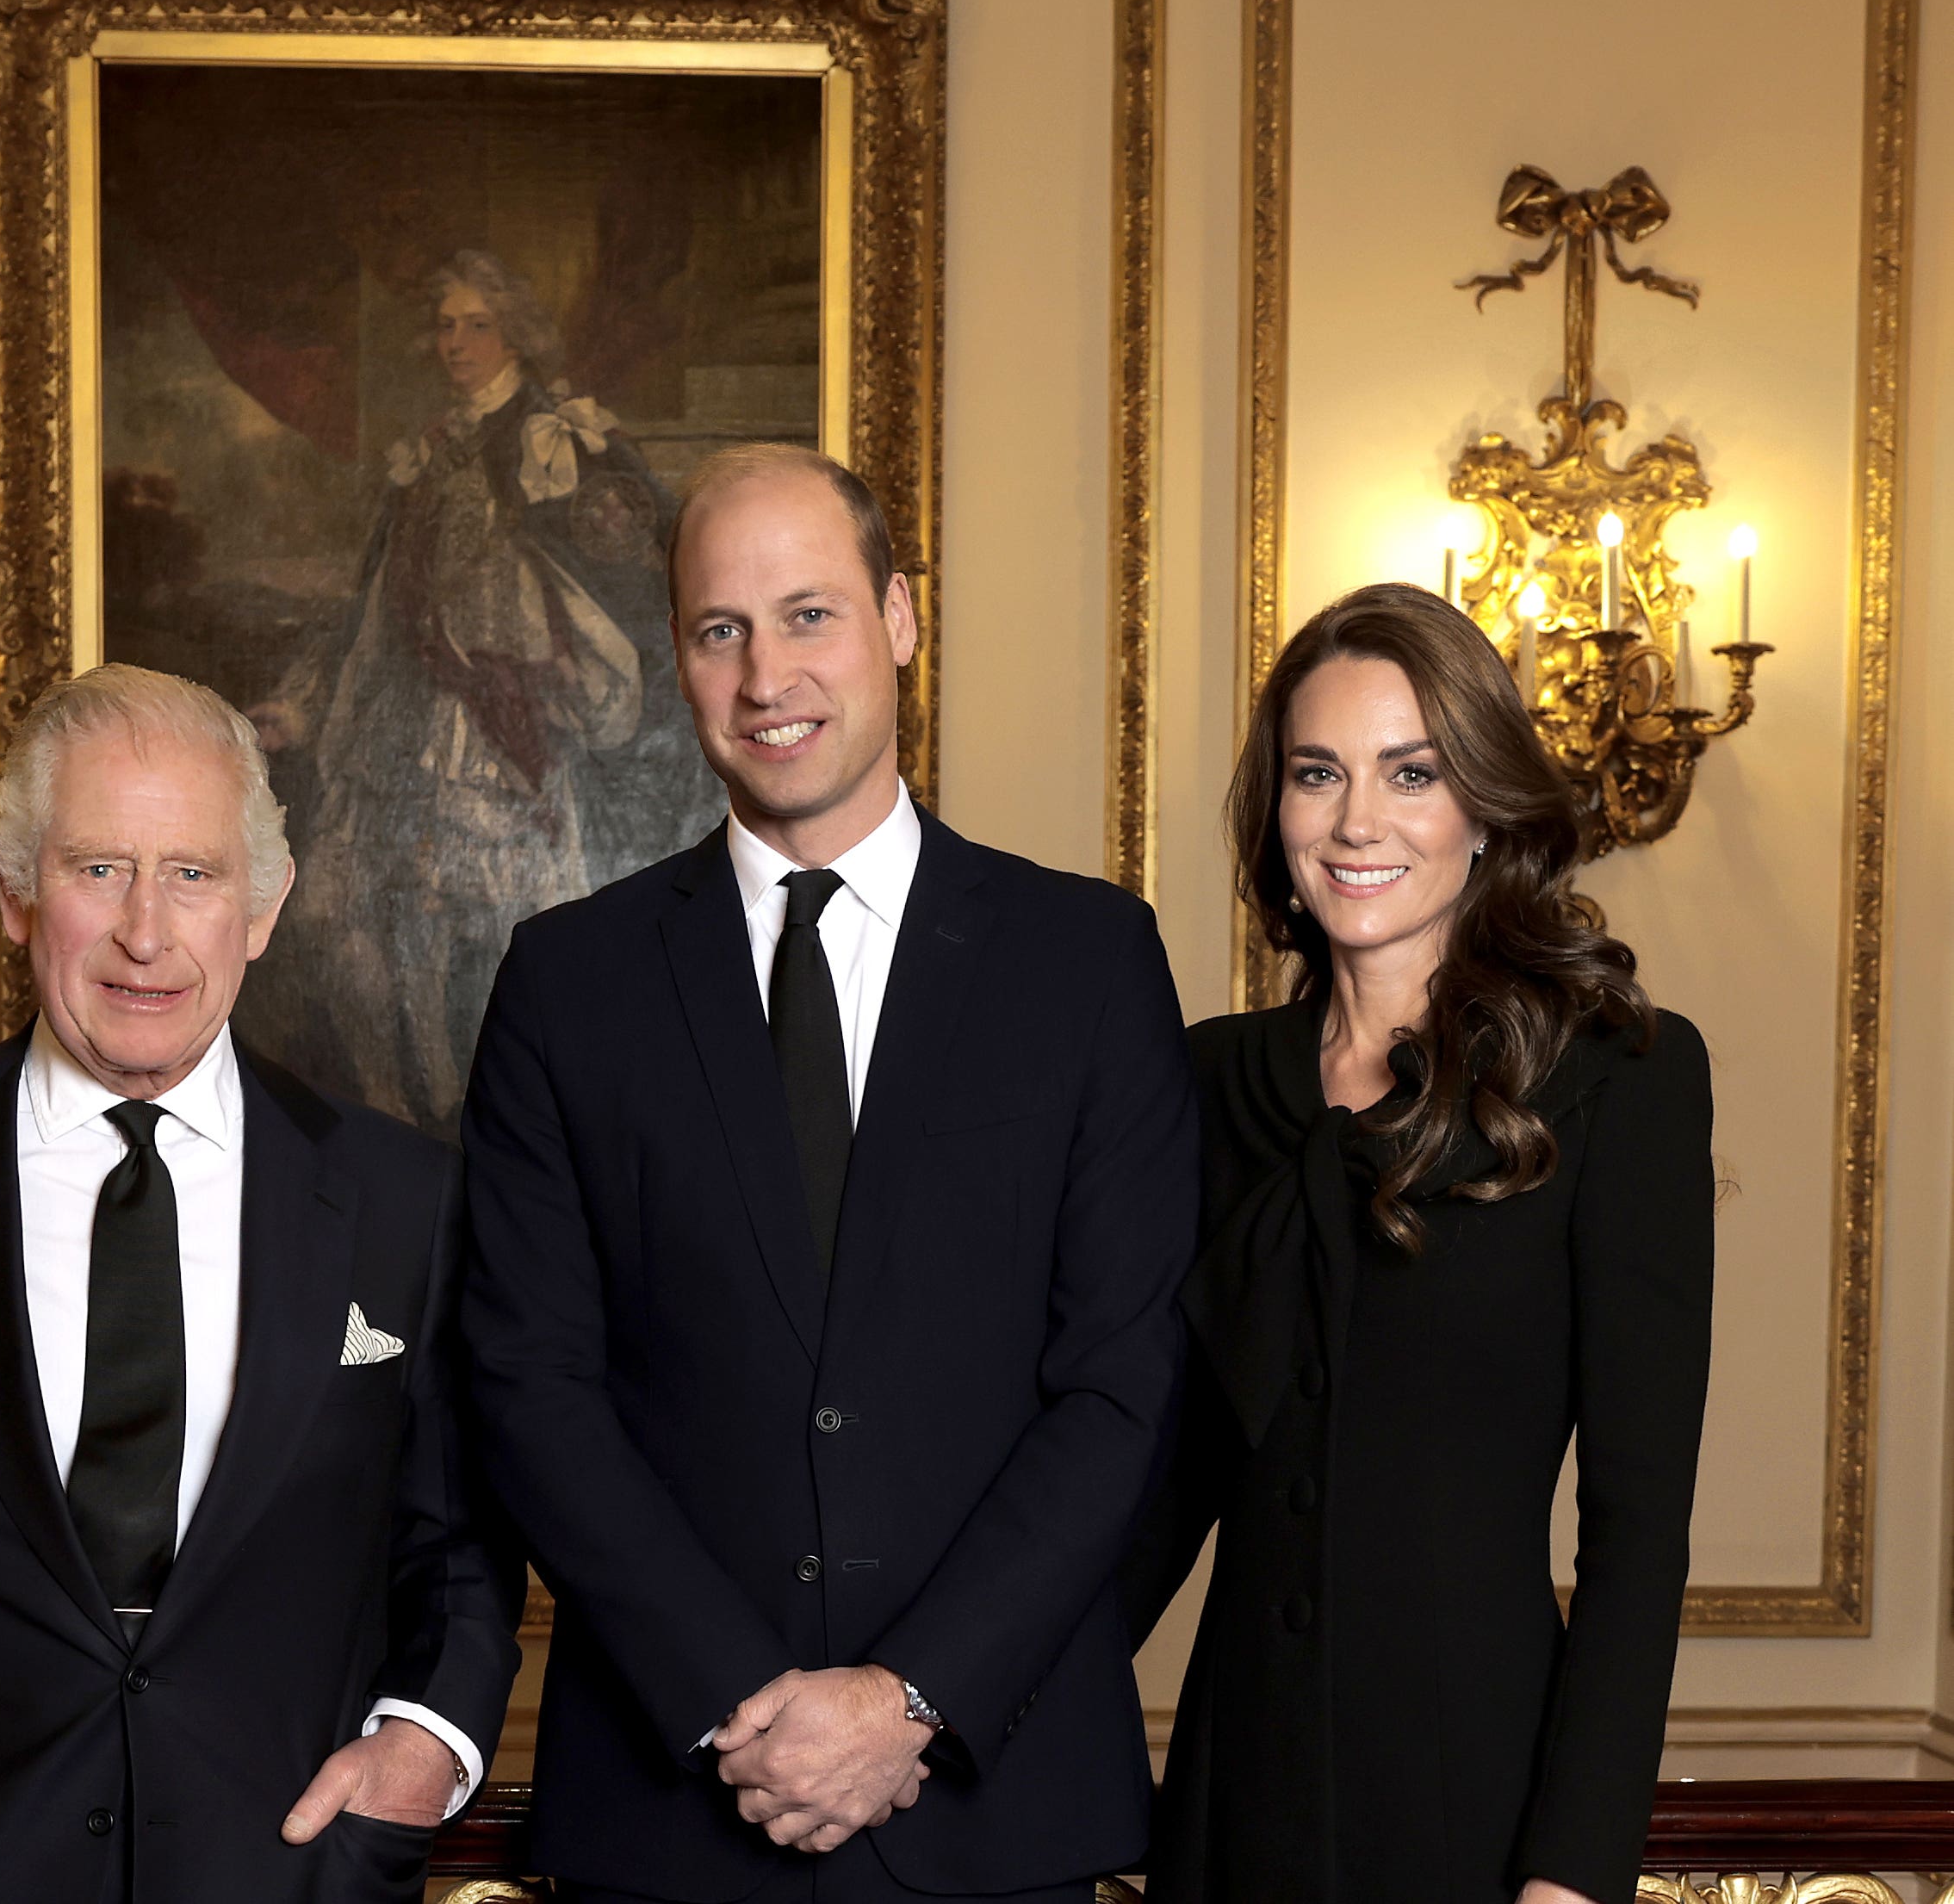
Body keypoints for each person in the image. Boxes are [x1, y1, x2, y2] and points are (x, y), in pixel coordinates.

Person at [458, 443, 1199, 1903]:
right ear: (677, 657)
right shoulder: (570, 981)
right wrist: (748, 1705)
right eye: (718, 628)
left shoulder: (1088, 962)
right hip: (671, 1812)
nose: (764, 673)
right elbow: (528, 1383)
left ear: (901, 617)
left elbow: (1121, 1383)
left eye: (809, 614)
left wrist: (909, 1696)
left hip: (998, 1815)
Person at [0, 664, 518, 1904]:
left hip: (290, 1868)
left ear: (262, 907)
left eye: (193, 873)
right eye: (99, 868)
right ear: (16, 891)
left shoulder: (402, 1197)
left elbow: (459, 1547)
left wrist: (420, 1754)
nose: (147, 934)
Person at [1121, 582, 1713, 1904]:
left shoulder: (1622, 1077)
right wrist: (941, 1711)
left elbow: (1639, 1529)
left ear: (1485, 806)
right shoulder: (1210, 1082)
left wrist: (1573, 1874)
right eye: (1316, 773)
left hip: (1477, 1804)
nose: (1356, 822)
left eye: (1412, 772)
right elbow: (1154, 1480)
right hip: (1234, 1798)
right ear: (1275, 811)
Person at [251, 248, 667, 1129]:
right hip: (406, 712)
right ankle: (409, 1107)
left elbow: (629, 568)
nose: (457, 341)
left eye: (477, 323)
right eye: (446, 324)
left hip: (515, 715)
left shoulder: (562, 437)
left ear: (514, 329)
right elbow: (371, 600)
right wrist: (302, 701)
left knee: (515, 926)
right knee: (365, 909)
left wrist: (540, 629)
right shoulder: (427, 453)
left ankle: (520, 1108)